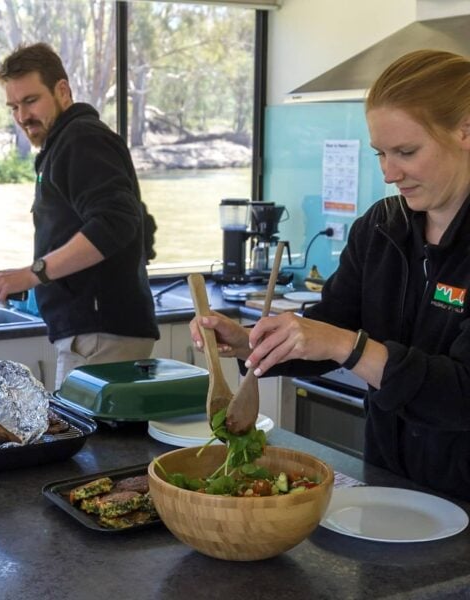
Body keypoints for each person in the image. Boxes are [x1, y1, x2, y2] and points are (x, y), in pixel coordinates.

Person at [190, 48, 470, 501]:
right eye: (380, 153)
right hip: (388, 485)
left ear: (465, 131)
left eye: (406, 152)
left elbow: (461, 393)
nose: (389, 173)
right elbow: (329, 327)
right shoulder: (382, 228)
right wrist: (249, 343)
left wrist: (347, 346)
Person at [0, 42, 159, 387]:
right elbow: (139, 222)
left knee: (84, 426)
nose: (22, 116)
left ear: (62, 91)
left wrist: (34, 273)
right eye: (14, 106)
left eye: (31, 101)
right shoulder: (65, 144)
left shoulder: (81, 139)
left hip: (101, 335)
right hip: (99, 332)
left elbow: (117, 222)